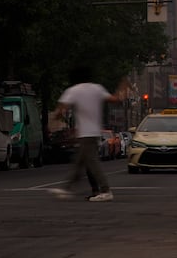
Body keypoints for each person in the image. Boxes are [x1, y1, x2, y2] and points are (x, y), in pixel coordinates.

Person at [50, 65, 124, 202]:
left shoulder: (73, 90)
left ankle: (105, 190)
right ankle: (66, 188)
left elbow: (61, 109)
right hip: (95, 132)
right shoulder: (97, 88)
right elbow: (115, 100)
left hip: (85, 133)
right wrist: (122, 88)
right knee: (79, 162)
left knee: (91, 162)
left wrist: (55, 119)